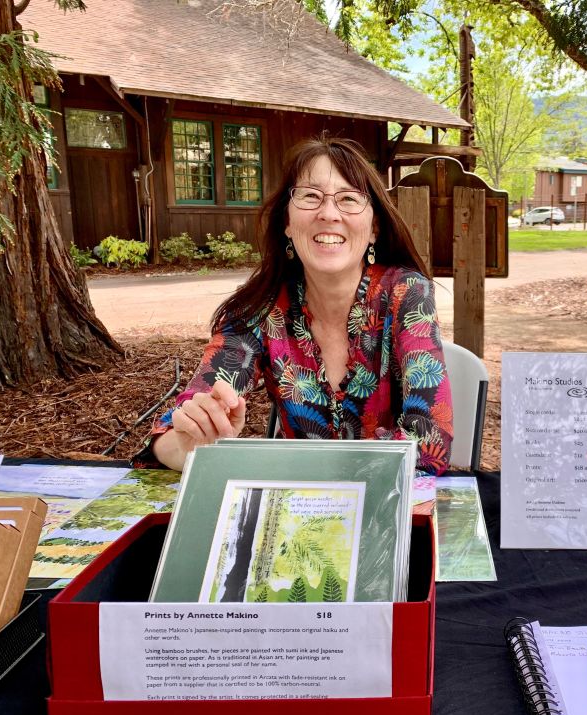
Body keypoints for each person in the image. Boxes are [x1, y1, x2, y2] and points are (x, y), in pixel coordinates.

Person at [134, 137, 452, 474]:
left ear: (374, 228)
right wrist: (188, 443)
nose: (329, 213)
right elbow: (173, 431)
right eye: (310, 196)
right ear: (287, 222)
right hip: (295, 511)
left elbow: (430, 442)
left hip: (390, 507)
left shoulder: (406, 292)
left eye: (348, 199)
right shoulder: (259, 308)